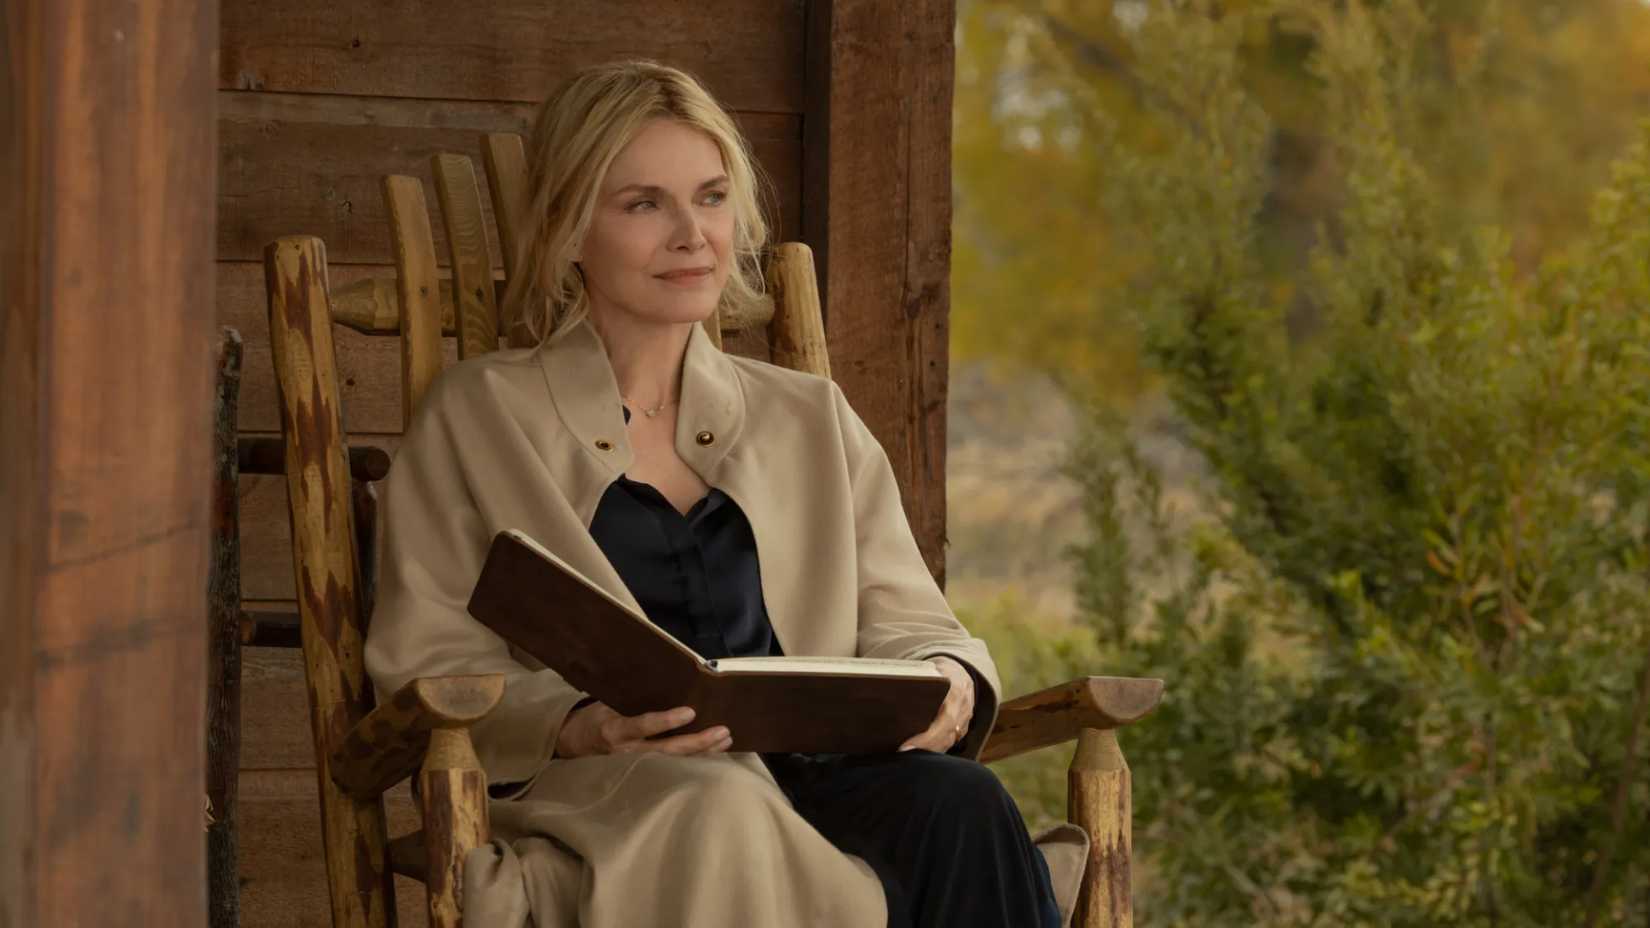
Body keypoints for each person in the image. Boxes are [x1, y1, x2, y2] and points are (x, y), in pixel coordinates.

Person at [364, 59, 1078, 927]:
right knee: (722, 805)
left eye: (709, 197)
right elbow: (430, 662)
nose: (691, 235)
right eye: (643, 204)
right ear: (567, 227)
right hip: (614, 787)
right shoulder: (479, 414)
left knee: (963, 804)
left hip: (818, 774)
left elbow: (916, 623)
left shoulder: (809, 416)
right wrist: (581, 722)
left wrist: (951, 679)